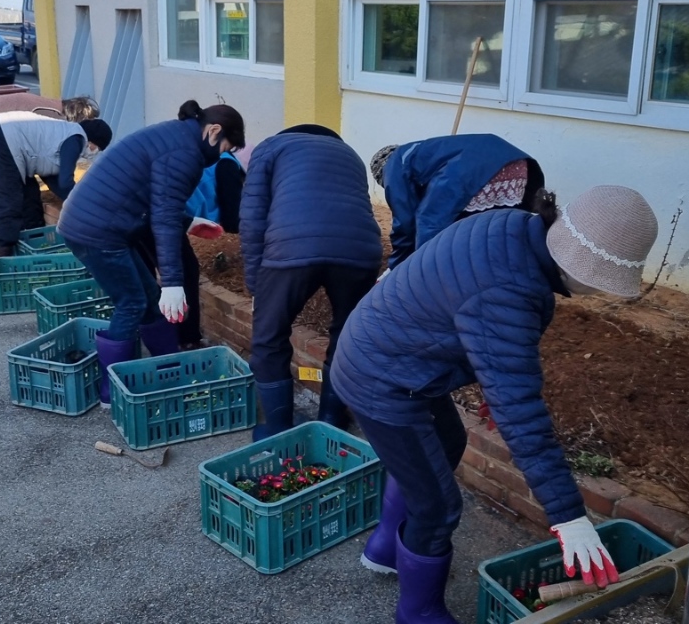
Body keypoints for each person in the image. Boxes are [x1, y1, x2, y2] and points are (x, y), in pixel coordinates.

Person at [329, 185, 658, 623]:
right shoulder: (509, 290)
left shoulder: (512, 227)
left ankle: (388, 547)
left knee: (447, 441)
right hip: (382, 380)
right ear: (577, 265)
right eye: (599, 284)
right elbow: (522, 413)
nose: (598, 294)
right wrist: (568, 516)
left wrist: (489, 380)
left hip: (385, 352)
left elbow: (460, 309)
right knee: (439, 506)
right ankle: (417, 611)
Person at [56, 99, 246, 407]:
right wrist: (172, 283)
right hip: (97, 229)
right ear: (213, 131)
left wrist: (190, 221)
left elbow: (152, 197)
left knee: (146, 299)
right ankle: (111, 393)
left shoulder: (176, 136)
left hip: (98, 221)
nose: (220, 156)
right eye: (224, 148)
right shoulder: (186, 154)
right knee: (131, 302)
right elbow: (164, 217)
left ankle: (168, 371)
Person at [240, 124, 382, 440]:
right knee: (347, 336)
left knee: (269, 338)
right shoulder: (350, 154)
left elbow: (252, 219)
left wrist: (255, 287)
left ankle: (278, 430)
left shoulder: (270, 147)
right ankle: (332, 420)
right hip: (360, 251)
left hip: (292, 248)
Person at [370, 134, 545, 275]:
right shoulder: (425, 152)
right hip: (517, 164)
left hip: (473, 170)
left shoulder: (394, 164)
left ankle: (427, 278)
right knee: (499, 230)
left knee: (430, 222)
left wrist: (397, 267)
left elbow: (406, 223)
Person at [135, 145, 246, 350]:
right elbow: (233, 220)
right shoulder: (228, 166)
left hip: (136, 209)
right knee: (186, 271)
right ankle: (185, 339)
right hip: (154, 214)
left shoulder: (193, 155)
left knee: (147, 278)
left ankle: (155, 334)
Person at [0, 110, 113, 258]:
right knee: (9, 201)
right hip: (4, 137)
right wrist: (83, 206)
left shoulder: (64, 135)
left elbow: (54, 179)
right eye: (98, 148)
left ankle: (34, 247)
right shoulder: (75, 140)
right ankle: (4, 259)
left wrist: (80, 201)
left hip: (15, 143)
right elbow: (65, 183)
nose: (95, 152)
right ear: (92, 141)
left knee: (30, 198)